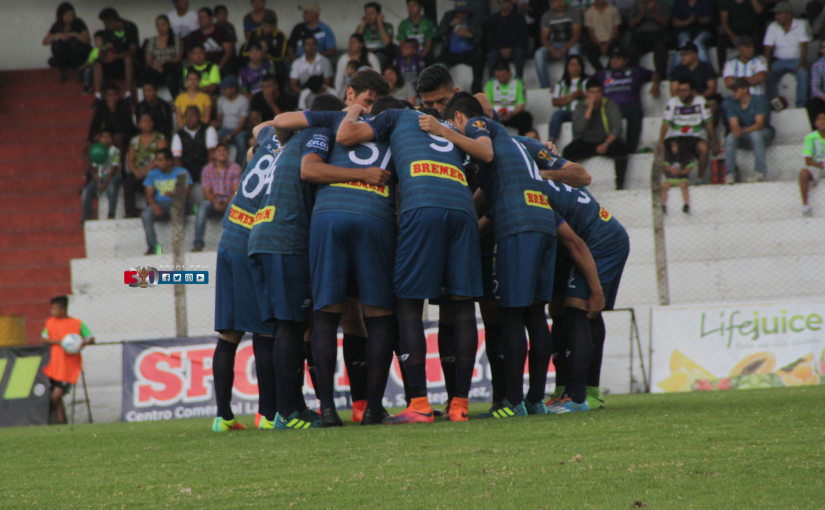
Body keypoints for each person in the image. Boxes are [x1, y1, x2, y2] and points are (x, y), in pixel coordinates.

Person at [335, 93, 487, 426]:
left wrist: (356, 109)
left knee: (407, 303)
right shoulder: (446, 125)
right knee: (461, 305)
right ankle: (459, 405)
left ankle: (418, 403)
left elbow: (345, 135)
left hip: (423, 202)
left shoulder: (393, 118)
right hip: (462, 206)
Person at [436, 94, 568, 419]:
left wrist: (446, 134)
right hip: (543, 218)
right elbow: (487, 195)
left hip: (518, 224)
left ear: (457, 117)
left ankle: (512, 401)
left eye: (452, 123)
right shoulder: (517, 145)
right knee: (536, 315)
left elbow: (484, 150)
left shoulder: (479, 123)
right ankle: (534, 400)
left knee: (510, 313)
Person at [210, 123, 280, 432]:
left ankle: (223, 417)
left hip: (228, 240)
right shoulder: (297, 151)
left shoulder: (267, 140)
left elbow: (258, 129)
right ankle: (267, 416)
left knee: (229, 334)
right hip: (250, 243)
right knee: (265, 333)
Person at [563, 77, 630, 189]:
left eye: (598, 92)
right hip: (587, 141)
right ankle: (570, 187)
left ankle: (620, 185)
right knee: (568, 152)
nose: (595, 95)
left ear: (601, 92)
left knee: (622, 149)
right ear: (586, 93)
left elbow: (617, 128)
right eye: (592, 92)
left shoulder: (609, 104)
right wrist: (589, 109)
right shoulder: (580, 107)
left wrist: (606, 144)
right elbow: (579, 129)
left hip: (605, 141)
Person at [41, 296, 95, 425]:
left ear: (63, 309)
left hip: (69, 366)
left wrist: (82, 343)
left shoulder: (77, 323)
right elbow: (44, 338)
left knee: (57, 395)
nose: (52, 311)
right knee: (55, 394)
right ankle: (61, 422)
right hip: (55, 364)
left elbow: (91, 338)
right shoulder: (50, 322)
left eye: (54, 308)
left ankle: (46, 414)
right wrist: (61, 342)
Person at [595, 47, 660, 153]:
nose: (614, 61)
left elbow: (656, 74)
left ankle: (630, 149)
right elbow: (589, 86)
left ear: (625, 61)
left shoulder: (635, 71)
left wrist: (656, 84)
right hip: (610, 107)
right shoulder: (602, 74)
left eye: (618, 58)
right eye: (612, 58)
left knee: (635, 112)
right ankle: (607, 146)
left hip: (631, 106)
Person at [659, 76, 719, 183]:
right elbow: (665, 123)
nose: (681, 93)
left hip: (696, 137)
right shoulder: (673, 102)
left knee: (704, 148)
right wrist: (660, 141)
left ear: (693, 91)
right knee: (665, 148)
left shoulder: (700, 101)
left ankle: (700, 179)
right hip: (677, 137)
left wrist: (714, 143)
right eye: (679, 90)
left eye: (685, 90)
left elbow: (709, 124)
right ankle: (671, 180)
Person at [142, 148, 193, 255]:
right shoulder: (152, 174)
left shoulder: (182, 172)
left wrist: (174, 195)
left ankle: (178, 245)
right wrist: (155, 207)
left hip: (178, 203)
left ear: (169, 161)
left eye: (160, 160)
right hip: (159, 204)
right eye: (156, 160)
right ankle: (153, 247)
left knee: (178, 208)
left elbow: (187, 195)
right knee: (146, 214)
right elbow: (149, 195)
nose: (157, 163)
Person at [724, 77, 775, 182]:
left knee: (755, 135)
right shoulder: (731, 103)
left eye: (736, 90)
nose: (733, 93)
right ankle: (730, 174)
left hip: (764, 133)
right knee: (730, 137)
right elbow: (734, 124)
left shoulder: (759, 100)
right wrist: (736, 130)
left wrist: (742, 131)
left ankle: (760, 172)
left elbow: (759, 124)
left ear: (745, 89)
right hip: (745, 134)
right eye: (732, 90)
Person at [193, 143, 241, 251]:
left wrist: (227, 202)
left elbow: (236, 191)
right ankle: (198, 243)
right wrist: (215, 202)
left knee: (235, 206)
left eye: (224, 151)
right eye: (219, 151)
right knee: (202, 209)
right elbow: (206, 192)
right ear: (214, 154)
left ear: (228, 154)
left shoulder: (235, 168)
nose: (222, 153)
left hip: (230, 200)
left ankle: (233, 244)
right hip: (212, 201)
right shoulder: (207, 169)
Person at [764, 2, 810, 108]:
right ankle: (775, 104)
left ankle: (801, 105)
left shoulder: (800, 24)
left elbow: (804, 45)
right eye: (776, 14)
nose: (776, 16)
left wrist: (802, 62)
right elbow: (767, 48)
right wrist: (767, 65)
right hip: (779, 60)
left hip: (796, 59)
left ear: (788, 14)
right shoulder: (773, 26)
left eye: (779, 14)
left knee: (803, 73)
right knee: (767, 75)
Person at [435, 0, 486, 94]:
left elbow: (480, 37)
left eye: (463, 12)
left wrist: (470, 35)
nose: (461, 15)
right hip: (452, 52)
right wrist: (450, 25)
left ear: (468, 11)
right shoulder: (449, 16)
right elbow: (438, 34)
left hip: (469, 51)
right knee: (439, 62)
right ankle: (439, 87)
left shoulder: (474, 18)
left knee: (479, 59)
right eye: (458, 12)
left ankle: (476, 89)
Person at [126, 113, 167, 218]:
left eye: (150, 121)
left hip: (155, 171)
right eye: (145, 121)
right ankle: (131, 214)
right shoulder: (135, 140)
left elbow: (161, 158)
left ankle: (152, 211)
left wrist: (146, 170)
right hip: (139, 172)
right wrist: (136, 171)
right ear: (139, 124)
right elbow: (130, 160)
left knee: (149, 182)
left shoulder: (160, 138)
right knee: (128, 183)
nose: (148, 124)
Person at [93, 8, 139, 99]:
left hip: (130, 62)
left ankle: (128, 94)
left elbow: (133, 51)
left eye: (106, 23)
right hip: (114, 62)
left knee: (128, 59)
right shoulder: (108, 31)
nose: (105, 26)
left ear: (112, 22)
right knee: (98, 62)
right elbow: (106, 48)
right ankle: (97, 96)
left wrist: (116, 56)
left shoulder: (130, 27)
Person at [535, 0, 582, 88]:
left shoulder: (574, 12)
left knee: (574, 51)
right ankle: (545, 86)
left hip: (571, 44)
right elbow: (544, 38)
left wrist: (564, 48)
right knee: (539, 54)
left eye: (561, 1)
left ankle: (575, 83)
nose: (559, 3)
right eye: (556, 1)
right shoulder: (546, 16)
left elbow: (577, 35)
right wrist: (552, 50)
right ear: (551, 3)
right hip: (554, 45)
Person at [43, 2, 90, 82]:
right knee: (56, 44)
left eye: (72, 15)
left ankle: (80, 70)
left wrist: (74, 34)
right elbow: (45, 42)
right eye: (68, 15)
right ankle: (63, 72)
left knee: (73, 44)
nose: (71, 17)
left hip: (78, 56)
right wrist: (56, 36)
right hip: (65, 57)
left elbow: (87, 40)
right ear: (61, 16)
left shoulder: (78, 22)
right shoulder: (57, 25)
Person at [82, 129, 121, 221]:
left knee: (111, 187)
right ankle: (85, 218)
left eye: (109, 137)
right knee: (86, 192)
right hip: (101, 177)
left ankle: (111, 214)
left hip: (113, 177)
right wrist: (95, 175)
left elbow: (113, 169)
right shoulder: (97, 150)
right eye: (104, 137)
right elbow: (94, 167)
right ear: (99, 139)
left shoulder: (115, 151)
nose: (106, 139)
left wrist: (105, 184)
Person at [485, 60, 533, 135]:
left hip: (513, 114)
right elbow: (486, 105)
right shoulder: (490, 84)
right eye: (498, 77)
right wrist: (496, 114)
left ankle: (522, 141)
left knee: (526, 117)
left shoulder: (518, 83)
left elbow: (521, 105)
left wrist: (511, 113)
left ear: (509, 73)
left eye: (503, 76)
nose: (501, 79)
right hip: (496, 115)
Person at [172, 106, 218, 182]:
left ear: (199, 117)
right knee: (180, 181)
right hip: (186, 167)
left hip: (205, 166)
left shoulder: (208, 130)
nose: (189, 118)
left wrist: (208, 171)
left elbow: (212, 153)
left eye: (193, 115)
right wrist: (183, 174)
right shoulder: (178, 135)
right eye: (187, 115)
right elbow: (177, 159)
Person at [142, 15, 184, 98]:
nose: (160, 27)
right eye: (158, 25)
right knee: (148, 78)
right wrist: (156, 67)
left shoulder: (175, 39)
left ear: (168, 25)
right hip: (156, 69)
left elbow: (178, 57)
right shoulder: (152, 41)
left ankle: (177, 101)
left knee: (170, 77)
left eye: (163, 24)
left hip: (171, 68)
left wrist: (163, 64)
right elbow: (149, 60)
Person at [627, 0, 670, 80]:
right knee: (631, 49)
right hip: (640, 35)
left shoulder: (662, 3)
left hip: (657, 34)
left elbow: (665, 23)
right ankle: (634, 75)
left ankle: (660, 75)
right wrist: (641, 14)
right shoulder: (637, 4)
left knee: (661, 48)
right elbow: (631, 24)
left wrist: (653, 12)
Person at [549, 55, 587, 143]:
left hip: (581, 112)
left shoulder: (587, 82)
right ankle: (551, 141)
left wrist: (581, 95)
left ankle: (576, 142)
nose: (575, 67)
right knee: (556, 115)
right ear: (567, 67)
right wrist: (572, 97)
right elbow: (555, 102)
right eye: (572, 64)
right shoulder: (561, 84)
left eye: (578, 65)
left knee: (576, 115)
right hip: (565, 112)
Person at [184, 7, 235, 73]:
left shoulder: (222, 32)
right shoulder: (193, 35)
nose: (200, 20)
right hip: (201, 70)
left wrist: (219, 67)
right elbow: (190, 55)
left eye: (203, 17)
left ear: (211, 18)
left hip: (222, 68)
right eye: (199, 18)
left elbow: (229, 51)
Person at [486, 0, 528, 79]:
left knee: (519, 53)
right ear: (499, 3)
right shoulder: (493, 19)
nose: (505, 4)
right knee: (491, 55)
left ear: (510, 2)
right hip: (498, 50)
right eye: (502, 2)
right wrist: (499, 50)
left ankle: (519, 81)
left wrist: (511, 49)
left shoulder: (519, 18)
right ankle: (492, 81)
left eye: (507, 1)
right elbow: (489, 39)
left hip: (515, 49)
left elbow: (523, 37)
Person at [718, 0, 765, 70]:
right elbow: (724, 21)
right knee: (721, 41)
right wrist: (732, 36)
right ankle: (723, 69)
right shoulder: (726, 2)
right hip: (734, 33)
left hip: (751, 32)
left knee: (758, 40)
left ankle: (759, 67)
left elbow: (759, 10)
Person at [242, 19, 288, 90]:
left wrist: (265, 52)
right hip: (254, 60)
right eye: (266, 27)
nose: (268, 29)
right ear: (262, 25)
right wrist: (256, 53)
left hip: (272, 60)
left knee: (280, 70)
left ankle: (280, 90)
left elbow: (280, 56)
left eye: (271, 27)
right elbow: (245, 52)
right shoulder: (254, 33)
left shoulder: (280, 35)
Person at [214, 76, 250, 166]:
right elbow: (219, 120)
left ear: (233, 89)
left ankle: (239, 167)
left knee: (241, 142)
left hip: (239, 130)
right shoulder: (221, 100)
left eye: (225, 88)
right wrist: (214, 125)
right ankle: (214, 165)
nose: (222, 91)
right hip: (224, 129)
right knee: (213, 139)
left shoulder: (243, 101)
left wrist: (229, 136)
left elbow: (242, 125)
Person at [88, 84, 133, 154]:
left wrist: (113, 110)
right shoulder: (102, 105)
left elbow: (125, 127)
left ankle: (120, 163)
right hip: (109, 132)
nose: (112, 98)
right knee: (88, 145)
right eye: (110, 96)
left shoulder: (124, 106)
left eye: (115, 95)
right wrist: (93, 137)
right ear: (105, 96)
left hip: (125, 134)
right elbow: (95, 123)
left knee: (118, 138)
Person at [670, 0, 713, 71]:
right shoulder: (679, 2)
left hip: (703, 30)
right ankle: (674, 74)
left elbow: (709, 19)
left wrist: (697, 20)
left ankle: (707, 72)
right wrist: (688, 22)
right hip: (684, 31)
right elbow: (675, 22)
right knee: (683, 43)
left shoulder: (704, 1)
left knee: (698, 42)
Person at [583, 0, 621, 72]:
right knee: (590, 53)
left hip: (610, 41)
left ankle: (609, 71)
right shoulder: (588, 13)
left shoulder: (613, 10)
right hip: (596, 42)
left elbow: (616, 32)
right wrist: (601, 46)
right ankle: (602, 73)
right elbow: (591, 34)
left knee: (617, 52)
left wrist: (607, 44)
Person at [799, 112, 825, 216]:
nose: (822, 122)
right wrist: (818, 164)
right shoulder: (810, 137)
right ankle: (805, 206)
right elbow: (808, 160)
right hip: (817, 166)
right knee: (803, 173)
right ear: (815, 123)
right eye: (819, 119)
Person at [357, 2, 395, 68]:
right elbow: (356, 42)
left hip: (382, 54)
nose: (369, 16)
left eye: (372, 14)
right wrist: (363, 25)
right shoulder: (361, 28)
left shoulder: (387, 26)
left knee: (379, 58)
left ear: (379, 14)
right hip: (365, 54)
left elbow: (387, 42)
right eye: (367, 14)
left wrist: (380, 23)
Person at [662, 139, 693, 214]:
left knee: (683, 186)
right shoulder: (670, 158)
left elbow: (688, 170)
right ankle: (663, 204)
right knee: (664, 186)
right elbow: (666, 167)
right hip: (672, 179)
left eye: (674, 147)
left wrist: (679, 172)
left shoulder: (686, 158)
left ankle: (686, 203)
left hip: (682, 178)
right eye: (672, 147)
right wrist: (671, 169)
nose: (672, 149)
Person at [808, 41, 825, 127]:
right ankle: (818, 136)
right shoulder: (818, 65)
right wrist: (823, 96)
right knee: (813, 104)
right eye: (823, 47)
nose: (824, 50)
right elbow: (814, 88)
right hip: (824, 98)